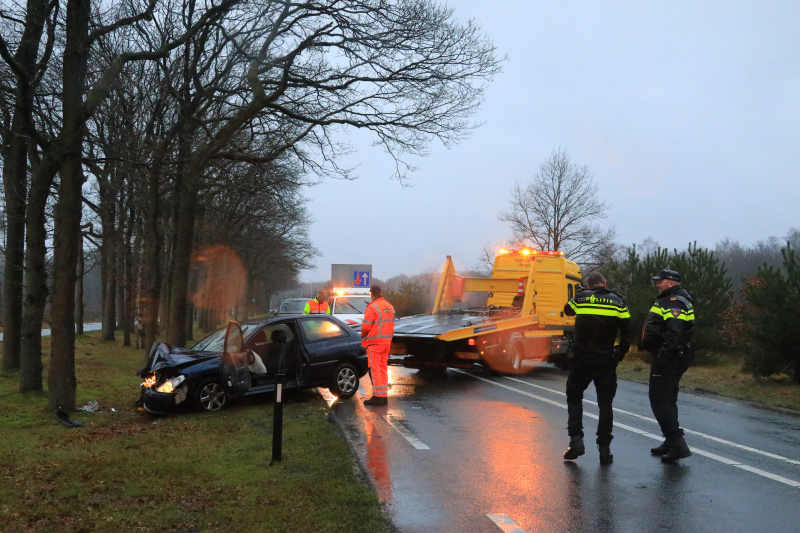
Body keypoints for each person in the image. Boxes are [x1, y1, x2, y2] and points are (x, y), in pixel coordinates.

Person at [562, 272, 632, 464]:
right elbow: (628, 333)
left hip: (581, 359)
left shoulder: (582, 297)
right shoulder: (618, 302)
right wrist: (619, 354)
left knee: (574, 397)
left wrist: (578, 294)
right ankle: (604, 448)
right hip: (605, 360)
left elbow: (567, 310)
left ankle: (576, 440)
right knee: (605, 404)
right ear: (605, 283)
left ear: (589, 285)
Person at [640, 269, 695, 463]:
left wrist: (663, 354)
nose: (657, 284)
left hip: (670, 357)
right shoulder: (673, 298)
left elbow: (674, 331)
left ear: (671, 282)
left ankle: (678, 444)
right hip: (674, 356)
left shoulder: (674, 302)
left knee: (659, 399)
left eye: (660, 281)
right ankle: (670, 441)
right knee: (669, 399)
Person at [361, 285, 395, 406]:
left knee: (375, 369)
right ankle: (384, 396)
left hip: (374, 343)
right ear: (380, 293)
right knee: (382, 369)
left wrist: (362, 334)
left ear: (371, 294)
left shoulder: (372, 307)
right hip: (386, 343)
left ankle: (377, 396)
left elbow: (366, 326)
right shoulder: (389, 306)